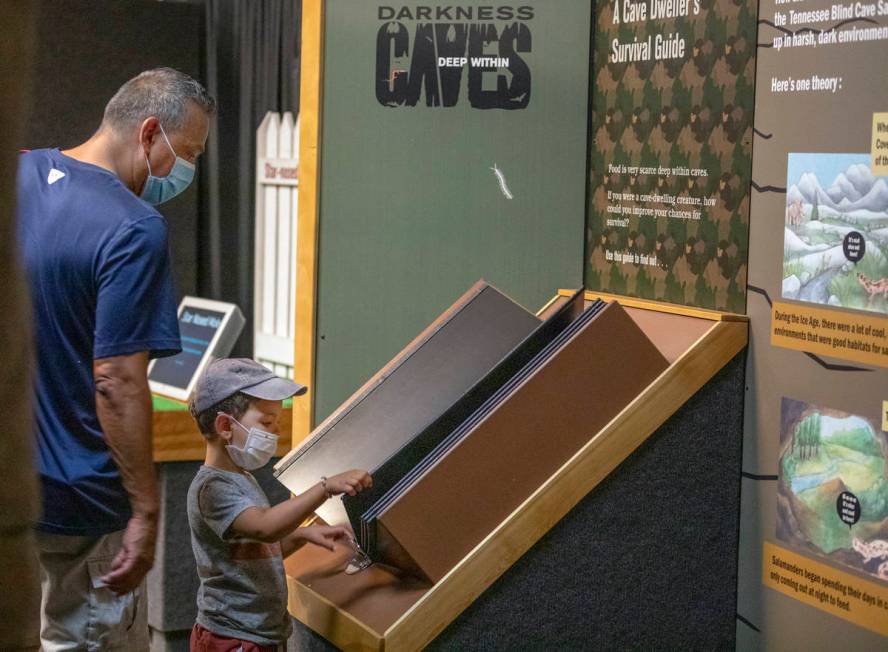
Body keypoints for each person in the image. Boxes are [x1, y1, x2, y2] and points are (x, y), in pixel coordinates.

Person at [16, 68, 215, 650]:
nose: (189, 171)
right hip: (85, 505)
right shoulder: (134, 228)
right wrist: (147, 512)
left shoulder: (17, 172)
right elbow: (118, 382)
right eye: (190, 152)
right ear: (150, 133)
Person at [186, 358, 372, 651]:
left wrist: (302, 536)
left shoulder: (241, 477)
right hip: (232, 636)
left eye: (277, 423)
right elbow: (264, 527)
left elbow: (252, 549)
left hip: (258, 633)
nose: (274, 432)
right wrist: (325, 487)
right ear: (224, 425)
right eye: (266, 422)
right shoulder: (212, 488)